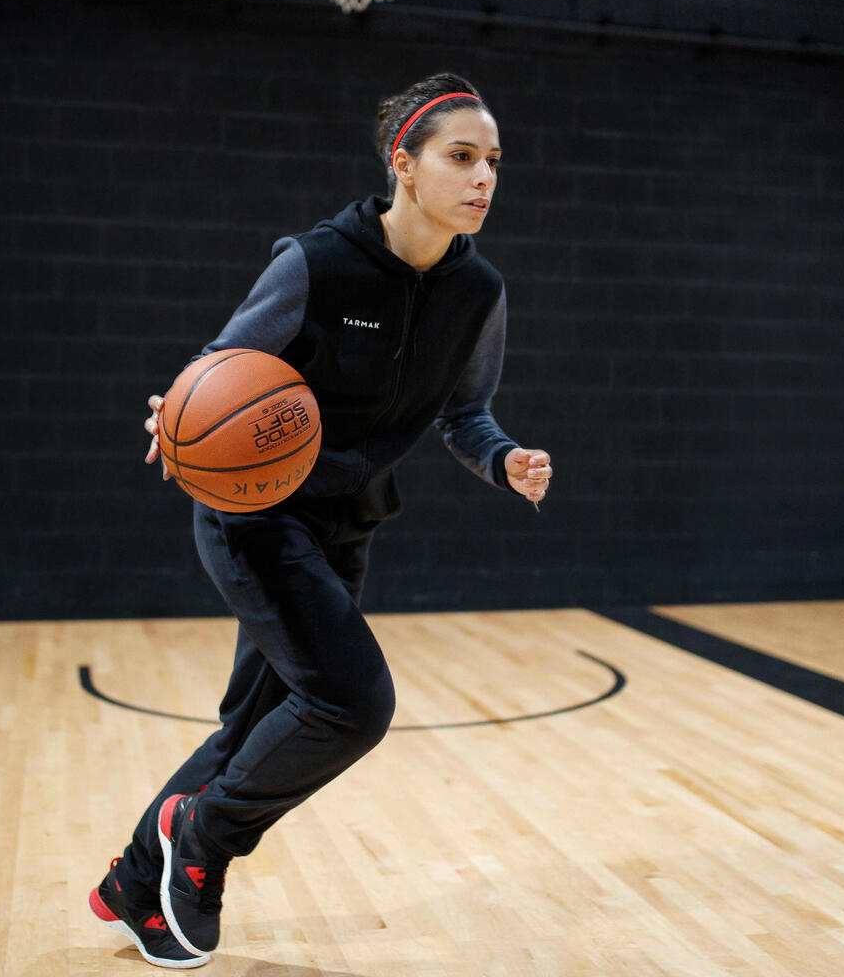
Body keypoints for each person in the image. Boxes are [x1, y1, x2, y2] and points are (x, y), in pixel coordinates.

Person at [89, 72, 553, 968]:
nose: (483, 177)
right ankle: (204, 842)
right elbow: (220, 369)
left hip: (348, 524)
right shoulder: (315, 262)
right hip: (254, 520)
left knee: (253, 729)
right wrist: (174, 414)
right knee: (351, 702)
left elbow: (466, 416)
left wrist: (506, 460)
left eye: (493, 161)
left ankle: (136, 878)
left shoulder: (479, 292)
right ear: (403, 165)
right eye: (461, 157)